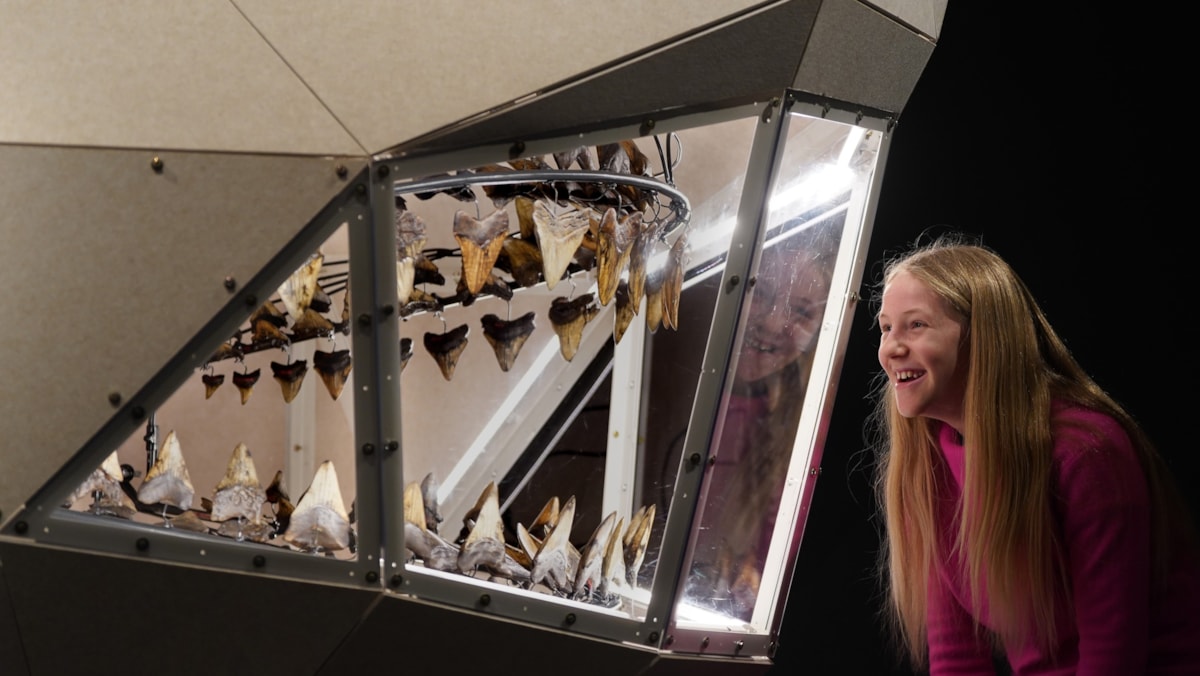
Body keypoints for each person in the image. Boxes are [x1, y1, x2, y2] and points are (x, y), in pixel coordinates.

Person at [872, 235, 1200, 674]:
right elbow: (956, 658)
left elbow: (1114, 655)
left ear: (983, 337)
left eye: (916, 325)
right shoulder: (927, 468)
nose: (891, 348)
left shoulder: (1086, 453)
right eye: (886, 328)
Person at [686, 218, 843, 620]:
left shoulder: (809, 437)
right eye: (762, 294)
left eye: (801, 311)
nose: (773, 323)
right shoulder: (684, 388)